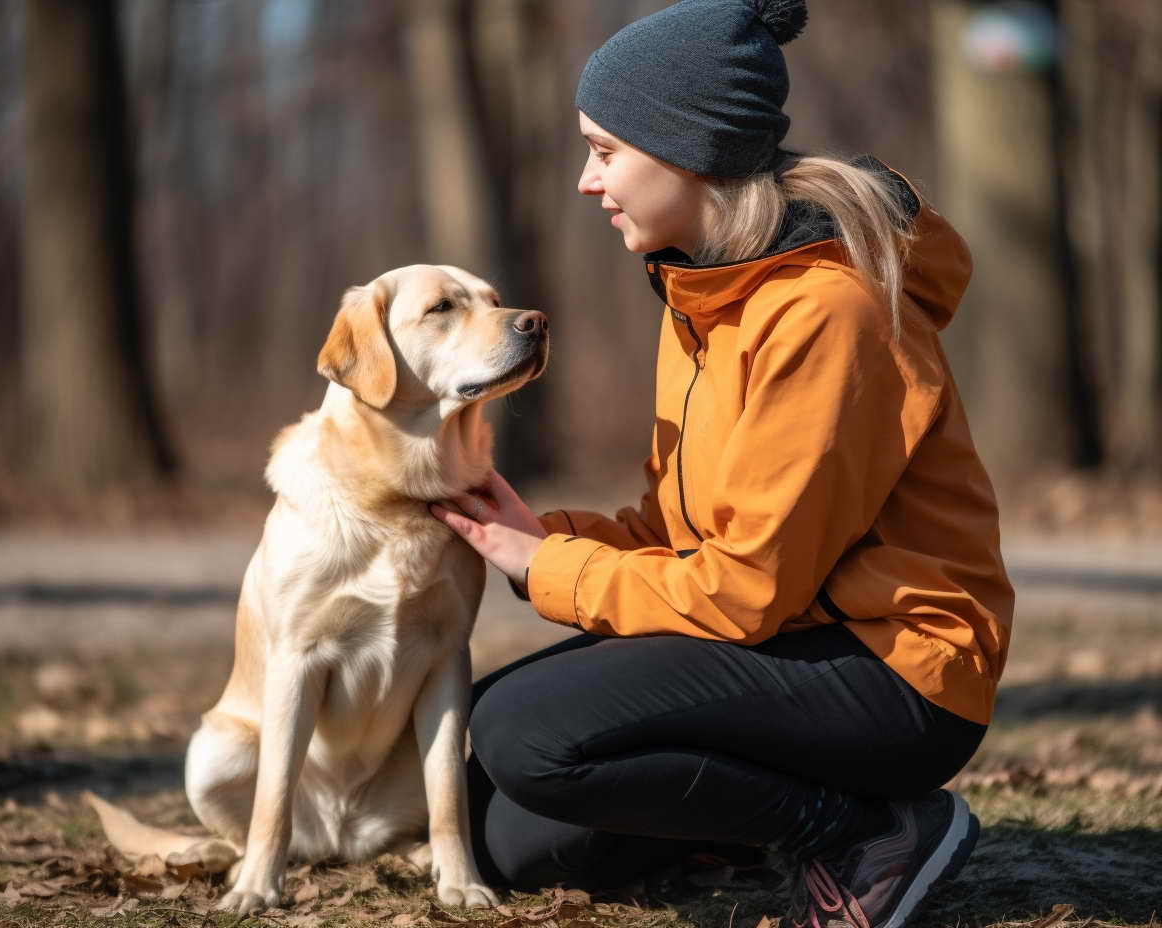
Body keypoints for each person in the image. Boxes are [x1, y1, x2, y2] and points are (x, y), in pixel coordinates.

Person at [427, 1, 1014, 926]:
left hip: (895, 670)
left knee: (527, 734)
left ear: (687, 150)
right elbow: (681, 532)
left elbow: (746, 588)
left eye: (606, 151)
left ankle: (861, 832)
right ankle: (745, 824)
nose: (588, 182)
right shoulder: (700, 296)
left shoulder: (827, 312)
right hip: (788, 639)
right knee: (491, 815)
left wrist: (546, 570)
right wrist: (542, 534)